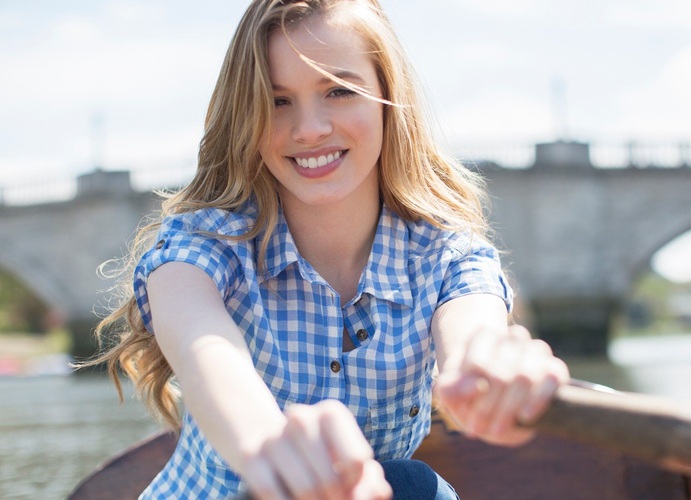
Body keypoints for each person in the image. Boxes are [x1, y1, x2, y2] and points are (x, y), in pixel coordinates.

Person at [87, 1, 569, 498]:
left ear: (386, 96)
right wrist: (272, 447)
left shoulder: (446, 257)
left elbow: (473, 336)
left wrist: (492, 369)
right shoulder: (202, 248)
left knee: (413, 486)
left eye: (338, 90)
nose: (310, 129)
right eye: (278, 101)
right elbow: (204, 352)